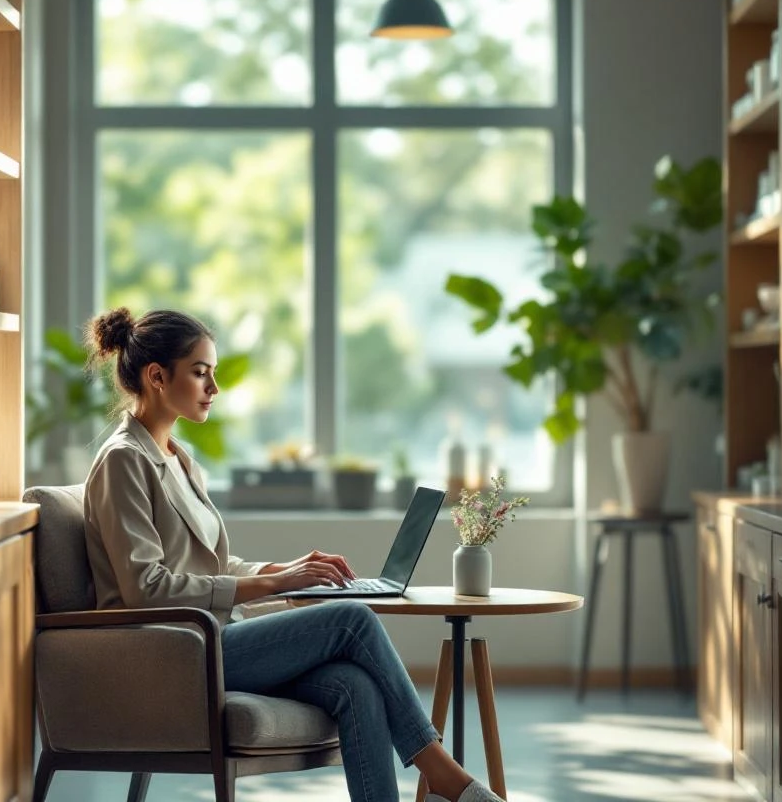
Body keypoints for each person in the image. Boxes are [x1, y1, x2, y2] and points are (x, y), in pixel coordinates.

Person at [82, 306, 503, 802]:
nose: (214, 388)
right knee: (350, 619)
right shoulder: (124, 462)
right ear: (157, 376)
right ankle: (445, 779)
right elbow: (145, 588)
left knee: (354, 685)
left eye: (213, 373)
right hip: (170, 652)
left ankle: (434, 784)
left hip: (208, 637)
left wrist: (283, 570)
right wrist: (276, 585)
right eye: (200, 373)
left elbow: (211, 568)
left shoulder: (177, 458)